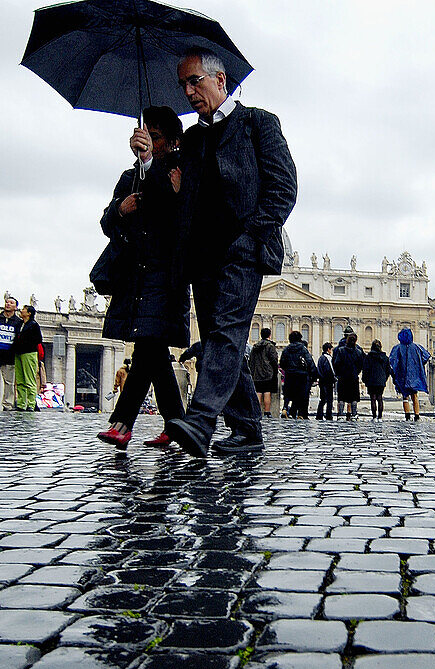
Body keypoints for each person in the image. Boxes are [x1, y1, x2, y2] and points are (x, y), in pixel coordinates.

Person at [139, 47, 296, 456]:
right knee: (215, 340)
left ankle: (201, 419)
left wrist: (250, 236)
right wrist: (146, 159)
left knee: (226, 332)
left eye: (195, 81)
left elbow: (283, 189)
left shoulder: (258, 124)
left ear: (220, 80)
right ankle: (246, 429)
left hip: (243, 250)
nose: (189, 91)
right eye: (183, 85)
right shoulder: (191, 139)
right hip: (201, 257)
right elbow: (166, 198)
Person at [96, 105, 190, 450]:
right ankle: (177, 425)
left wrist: (150, 164)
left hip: (166, 276)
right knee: (152, 349)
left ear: (172, 141)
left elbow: (177, 214)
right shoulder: (128, 176)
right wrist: (120, 210)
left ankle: (123, 423)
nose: (148, 139)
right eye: (145, 133)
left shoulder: (180, 172)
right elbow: (107, 223)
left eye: (156, 135)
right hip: (134, 276)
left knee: (148, 345)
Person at [389, 327, 430, 421]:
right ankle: (417, 415)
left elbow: (392, 360)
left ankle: (407, 415)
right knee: (415, 395)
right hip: (414, 375)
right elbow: (426, 356)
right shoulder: (416, 347)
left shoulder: (397, 348)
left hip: (402, 375)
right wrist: (418, 364)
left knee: (405, 396)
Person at [279, 331, 316, 419]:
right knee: (300, 395)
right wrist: (313, 375)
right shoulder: (303, 349)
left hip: (290, 374)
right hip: (301, 375)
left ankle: (286, 409)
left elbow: (282, 363)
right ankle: (300, 414)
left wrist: (288, 369)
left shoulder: (286, 349)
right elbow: (309, 361)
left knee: (289, 394)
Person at [12, 304, 42, 411]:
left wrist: (25, 343)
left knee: (29, 380)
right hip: (18, 353)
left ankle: (31, 404)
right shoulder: (19, 324)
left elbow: (38, 339)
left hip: (29, 353)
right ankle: (21, 404)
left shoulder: (34, 325)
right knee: (19, 380)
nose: (21, 310)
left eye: (24, 309)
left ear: (29, 313)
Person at [332, 332, 364, 420]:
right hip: (353, 377)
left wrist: (338, 373)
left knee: (341, 396)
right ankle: (354, 414)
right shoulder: (358, 352)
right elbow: (360, 365)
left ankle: (341, 414)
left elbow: (336, 363)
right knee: (353, 397)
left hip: (343, 377)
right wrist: (356, 372)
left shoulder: (341, 350)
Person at [248, 328, 279, 418]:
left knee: (258, 392)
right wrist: (275, 370)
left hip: (256, 372)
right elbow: (274, 360)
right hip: (267, 373)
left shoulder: (255, 346)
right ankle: (267, 412)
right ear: (269, 335)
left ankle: (257, 411)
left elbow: (251, 360)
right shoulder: (270, 346)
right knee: (266, 392)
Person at [361, 339, 392, 420]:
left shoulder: (368, 357)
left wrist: (365, 379)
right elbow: (388, 370)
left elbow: (365, 369)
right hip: (381, 381)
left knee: (373, 399)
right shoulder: (385, 357)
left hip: (371, 381)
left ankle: (374, 416)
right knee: (380, 398)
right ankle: (380, 417)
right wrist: (384, 378)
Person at [315, 342, 335, 420]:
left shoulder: (321, 358)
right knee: (329, 399)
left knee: (322, 399)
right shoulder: (328, 358)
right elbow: (331, 370)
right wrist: (334, 378)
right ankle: (328, 415)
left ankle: (319, 414)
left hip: (322, 381)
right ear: (328, 349)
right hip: (328, 381)